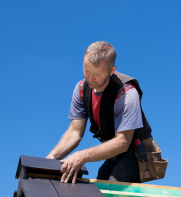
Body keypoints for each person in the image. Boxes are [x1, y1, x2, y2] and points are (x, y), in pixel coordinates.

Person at [47, 41, 152, 184]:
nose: (90, 79)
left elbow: (123, 142)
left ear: (111, 70)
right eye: (86, 71)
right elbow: (74, 133)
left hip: (133, 153)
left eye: (97, 74)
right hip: (112, 153)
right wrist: (50, 160)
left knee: (110, 196)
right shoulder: (81, 89)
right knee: (97, 192)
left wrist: (82, 156)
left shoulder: (127, 94)